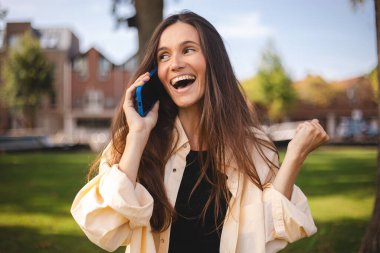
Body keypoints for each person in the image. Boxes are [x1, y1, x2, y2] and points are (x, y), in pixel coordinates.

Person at [71, 11, 329, 253]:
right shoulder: (135, 143)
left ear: (212, 61)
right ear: (155, 73)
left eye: (188, 50)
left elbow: (268, 233)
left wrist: (295, 155)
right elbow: (103, 225)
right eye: (163, 56)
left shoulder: (252, 146)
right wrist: (138, 135)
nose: (175, 63)